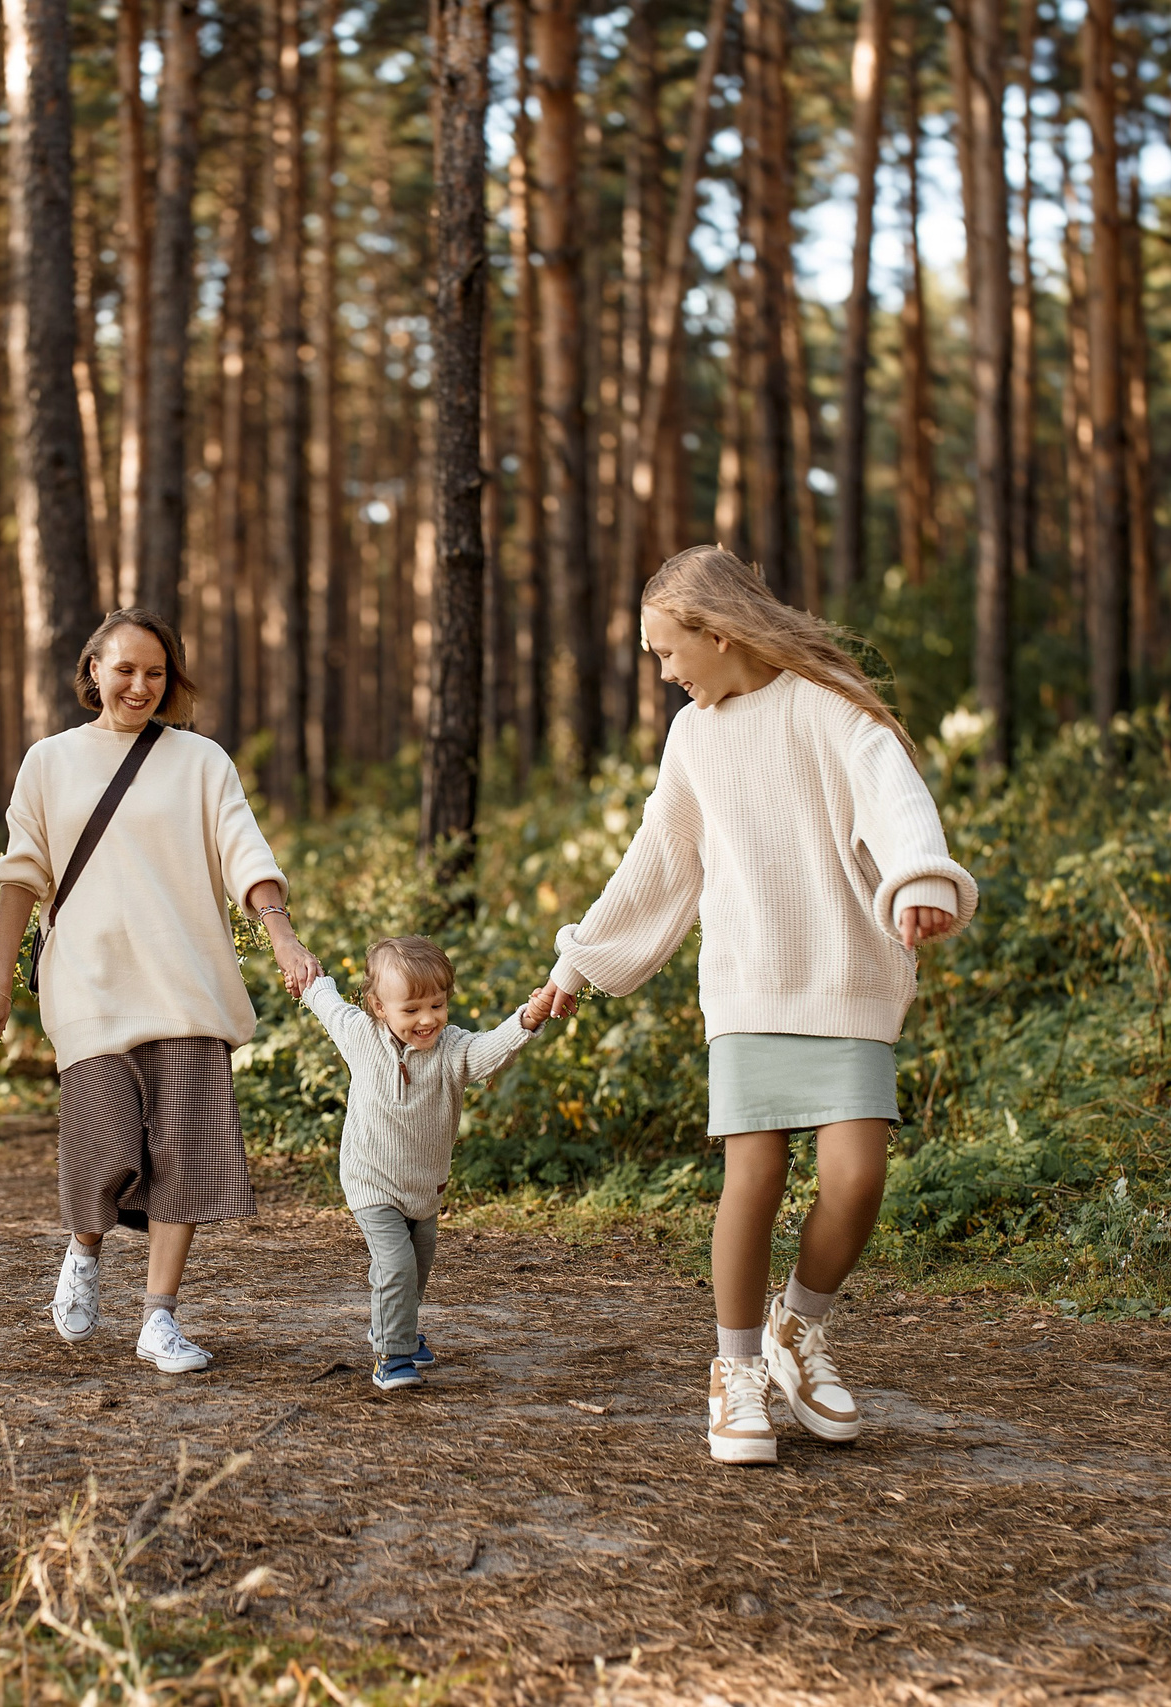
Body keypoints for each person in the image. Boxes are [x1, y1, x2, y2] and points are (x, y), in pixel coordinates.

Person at [525, 546, 976, 1466]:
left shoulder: (833, 705)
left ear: (717, 634)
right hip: (747, 978)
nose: (664, 673)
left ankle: (798, 1329)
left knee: (856, 1177)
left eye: (666, 652)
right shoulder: (694, 738)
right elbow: (659, 862)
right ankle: (735, 1373)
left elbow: (894, 797)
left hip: (845, 975)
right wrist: (577, 963)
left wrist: (917, 876)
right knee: (755, 1177)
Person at [0, 608, 321, 1375]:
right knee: (107, 1145)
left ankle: (160, 1318)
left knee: (184, 1155)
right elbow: (23, 875)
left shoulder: (201, 761)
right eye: (124, 669)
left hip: (185, 983)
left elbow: (241, 850)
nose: (139, 685)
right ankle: (85, 1246)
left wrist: (281, 934)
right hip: (88, 984)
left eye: (155, 672)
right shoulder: (49, 761)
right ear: (92, 669)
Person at [296, 936, 551, 1391]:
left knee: (417, 1265)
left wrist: (526, 1019)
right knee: (395, 1265)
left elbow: (489, 1050)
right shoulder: (359, 1034)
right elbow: (327, 1003)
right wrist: (306, 976)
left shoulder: (452, 1049)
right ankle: (391, 1356)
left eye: (437, 1004)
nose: (427, 1019)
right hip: (371, 1179)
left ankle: (398, 1329)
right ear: (378, 1006)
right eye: (411, 1009)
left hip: (425, 1185)